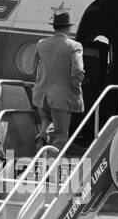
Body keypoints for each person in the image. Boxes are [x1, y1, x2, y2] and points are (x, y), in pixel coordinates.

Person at [32, 11, 85, 150]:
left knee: (47, 121)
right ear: (68, 28)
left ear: (54, 27)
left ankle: (42, 136)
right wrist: (75, 88)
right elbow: (78, 71)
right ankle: (51, 166)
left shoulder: (41, 44)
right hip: (61, 97)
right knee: (60, 135)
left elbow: (33, 69)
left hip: (41, 95)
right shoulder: (74, 46)